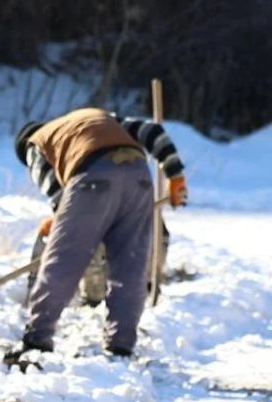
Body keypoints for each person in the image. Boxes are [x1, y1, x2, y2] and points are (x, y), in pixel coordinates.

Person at [15, 107, 187, 357]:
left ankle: (37, 339)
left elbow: (59, 195)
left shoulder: (36, 143)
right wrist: (175, 174)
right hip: (139, 178)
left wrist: (61, 219)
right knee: (130, 266)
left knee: (63, 261)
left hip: (93, 178)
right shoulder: (96, 117)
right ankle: (121, 344)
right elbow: (152, 130)